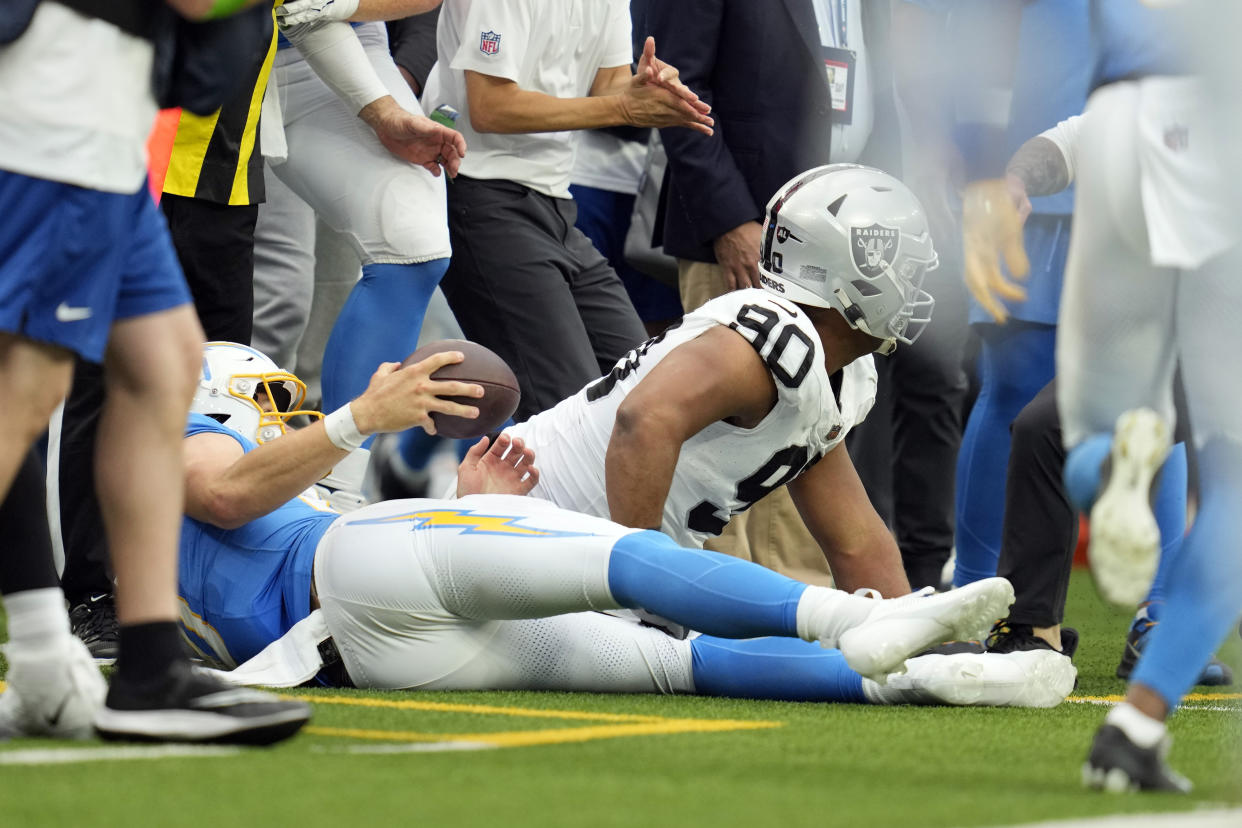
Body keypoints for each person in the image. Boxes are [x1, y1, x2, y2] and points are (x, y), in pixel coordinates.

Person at [179, 342, 1068, 707]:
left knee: (673, 664)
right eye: (266, 398)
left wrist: (464, 510)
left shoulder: (270, 496)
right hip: (349, 583)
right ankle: (863, 621)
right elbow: (223, 495)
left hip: (352, 648)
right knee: (622, 557)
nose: (290, 416)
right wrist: (361, 420)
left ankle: (924, 679)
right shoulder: (184, 444)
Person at [0, 0, 309, 744]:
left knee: (165, 365)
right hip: (57, 99)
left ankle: (147, 669)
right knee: (25, 388)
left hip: (104, 107)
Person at [499, 165, 931, 597]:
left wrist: (917, 643)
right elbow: (642, 420)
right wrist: (641, 583)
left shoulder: (829, 369)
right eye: (909, 270)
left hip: (579, 552)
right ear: (855, 271)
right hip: (528, 537)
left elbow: (856, 545)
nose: (917, 288)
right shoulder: (772, 340)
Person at [1048, 0, 1242, 792]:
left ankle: (1115, 474)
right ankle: (1138, 719)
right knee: (1233, 472)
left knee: (1092, 434)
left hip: (1118, 117)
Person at [420, 0, 713, 423]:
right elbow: (490, 107)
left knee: (649, 387)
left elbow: (610, 82)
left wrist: (641, 90)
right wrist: (624, 107)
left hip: (557, 205)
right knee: (570, 414)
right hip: (480, 196)